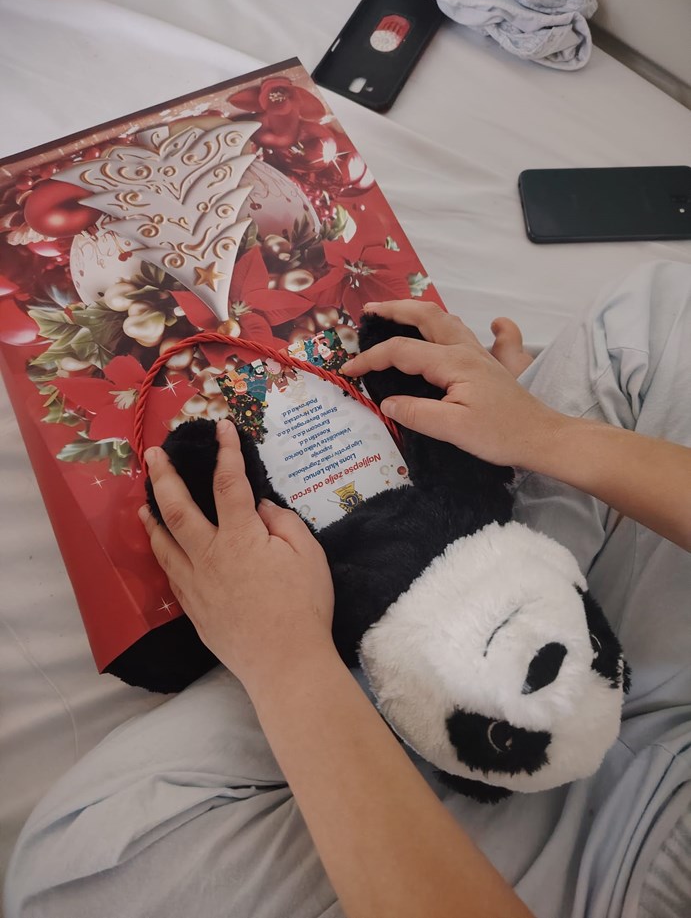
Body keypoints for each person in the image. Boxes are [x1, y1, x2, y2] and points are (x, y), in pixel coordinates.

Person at [5, 261, 691, 918]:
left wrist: (285, 655)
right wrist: (548, 435)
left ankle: (366, 615)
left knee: (74, 885)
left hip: (586, 876)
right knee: (659, 309)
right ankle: (463, 553)